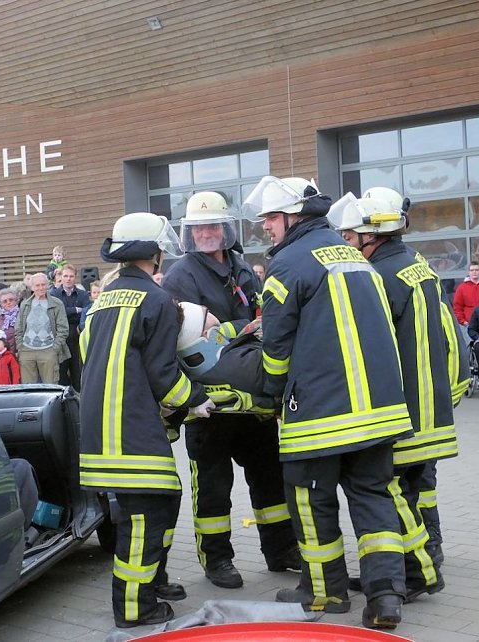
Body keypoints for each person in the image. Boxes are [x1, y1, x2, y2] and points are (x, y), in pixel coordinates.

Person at [243, 176, 413, 629]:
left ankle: (325, 595)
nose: (267, 228)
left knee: (311, 502)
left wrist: (268, 397)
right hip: (378, 412)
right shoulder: (357, 259)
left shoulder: (288, 265)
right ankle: (386, 597)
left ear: (296, 216)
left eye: (273, 219)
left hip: (320, 416)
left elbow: (276, 348)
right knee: (374, 500)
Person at [79, 211, 212, 628]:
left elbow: (89, 354)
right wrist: (196, 400)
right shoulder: (157, 300)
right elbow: (163, 374)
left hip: (103, 427)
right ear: (154, 253)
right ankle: (135, 608)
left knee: (162, 503)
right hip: (132, 428)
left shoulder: (103, 298)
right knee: (144, 519)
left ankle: (153, 581)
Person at [328, 190, 461, 602]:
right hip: (431, 403)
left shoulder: (379, 277)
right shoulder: (417, 267)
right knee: (408, 490)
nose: (348, 243)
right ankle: (411, 568)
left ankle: (419, 571)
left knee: (390, 490)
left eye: (352, 236)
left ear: (372, 235)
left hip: (402, 407)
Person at [162, 191, 297, 588]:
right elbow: (183, 341)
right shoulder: (180, 276)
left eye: (212, 225)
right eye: (199, 226)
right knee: (213, 489)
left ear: (226, 228)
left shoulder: (241, 267)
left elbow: (261, 318)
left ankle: (281, 550)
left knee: (270, 478)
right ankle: (217, 559)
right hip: (211, 404)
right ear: (190, 233)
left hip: (252, 401)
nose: (206, 232)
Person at [16, 273, 69, 384]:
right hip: (26, 351)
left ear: (48, 285)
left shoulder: (57, 304)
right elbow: (19, 328)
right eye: (37, 285)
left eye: (43, 284)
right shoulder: (25, 304)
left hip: (48, 350)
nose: (41, 288)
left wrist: (54, 349)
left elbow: (63, 329)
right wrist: (20, 347)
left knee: (51, 387)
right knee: (28, 389)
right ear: (32, 287)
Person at [50, 263, 90, 390]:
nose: (68, 279)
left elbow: (86, 312)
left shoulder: (83, 295)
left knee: (78, 374)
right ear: (61, 277)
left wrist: (68, 312)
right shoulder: (54, 294)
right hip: (61, 340)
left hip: (77, 339)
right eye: (65, 276)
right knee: (61, 376)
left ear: (75, 277)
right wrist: (75, 310)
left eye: (71, 276)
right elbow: (56, 314)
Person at [0, 288, 21, 356]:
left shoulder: (22, 315)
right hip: (4, 355)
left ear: (16, 301)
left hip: (21, 354)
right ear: (1, 304)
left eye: (11, 300)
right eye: (5, 301)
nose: (8, 302)